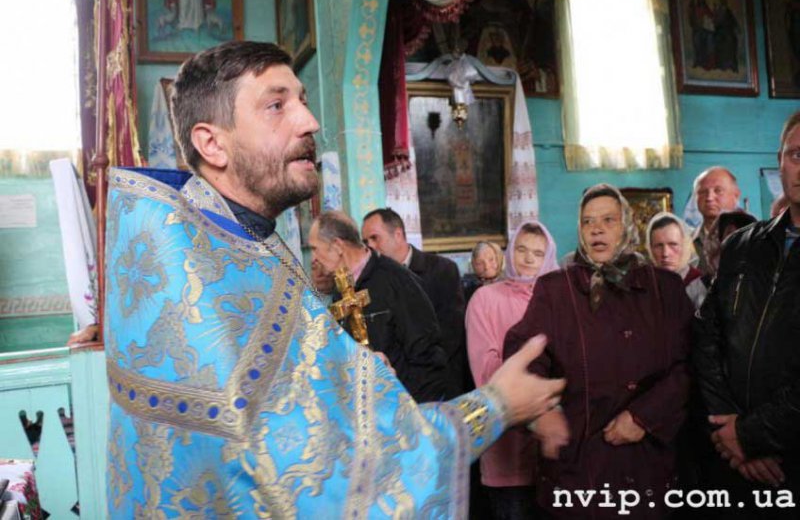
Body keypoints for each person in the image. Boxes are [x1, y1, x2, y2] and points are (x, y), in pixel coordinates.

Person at [102, 41, 565, 518]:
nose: (309, 121)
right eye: (276, 105)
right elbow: (320, 483)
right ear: (212, 143)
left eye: (302, 100)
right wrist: (494, 407)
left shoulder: (230, 244)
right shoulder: (194, 289)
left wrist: (354, 382)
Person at [504, 184, 694, 519]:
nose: (597, 229)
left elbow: (689, 364)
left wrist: (644, 416)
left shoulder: (664, 288)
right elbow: (524, 357)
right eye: (588, 221)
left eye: (609, 220)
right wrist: (541, 413)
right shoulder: (556, 290)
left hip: (649, 462)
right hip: (579, 466)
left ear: (627, 226)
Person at [693, 111, 800, 518]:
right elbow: (706, 336)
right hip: (731, 462)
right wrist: (729, 429)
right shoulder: (742, 245)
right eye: (796, 154)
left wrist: (749, 435)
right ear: (780, 161)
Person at [466, 220, 559, 519]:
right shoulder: (485, 299)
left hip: (558, 453)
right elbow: (487, 372)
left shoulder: (560, 299)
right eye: (521, 249)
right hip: (508, 450)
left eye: (538, 253)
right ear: (509, 252)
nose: (529, 258)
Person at [308, 210, 447, 403]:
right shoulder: (340, 289)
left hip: (403, 406)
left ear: (338, 246)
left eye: (315, 249)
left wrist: (409, 411)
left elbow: (427, 357)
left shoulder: (396, 280)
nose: (313, 258)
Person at [362, 208, 468, 398]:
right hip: (395, 387)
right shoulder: (371, 282)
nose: (370, 246)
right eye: (365, 242)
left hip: (439, 385)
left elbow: (451, 333)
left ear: (398, 235)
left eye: (375, 238)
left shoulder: (442, 270)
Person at [646, 212, 708, 309]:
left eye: (673, 244)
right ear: (650, 248)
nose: (665, 253)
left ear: (684, 245)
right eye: (658, 246)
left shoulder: (698, 284)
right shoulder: (644, 283)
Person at [692, 166, 741, 277]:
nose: (709, 198)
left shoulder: (754, 239)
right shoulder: (685, 243)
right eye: (703, 192)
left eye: (718, 191)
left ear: (736, 195)